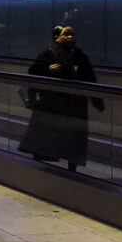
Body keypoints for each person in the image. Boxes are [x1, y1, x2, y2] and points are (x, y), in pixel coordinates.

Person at [18, 25, 104, 172]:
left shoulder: (81, 57)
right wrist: (48, 70)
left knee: (73, 137)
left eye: (73, 35)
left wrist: (97, 101)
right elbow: (33, 72)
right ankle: (55, 163)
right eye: (67, 35)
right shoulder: (49, 54)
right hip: (57, 103)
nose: (71, 38)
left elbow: (90, 80)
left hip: (70, 104)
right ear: (57, 38)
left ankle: (71, 166)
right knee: (68, 135)